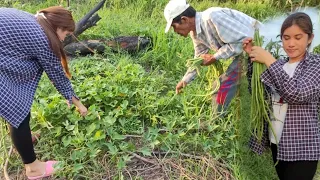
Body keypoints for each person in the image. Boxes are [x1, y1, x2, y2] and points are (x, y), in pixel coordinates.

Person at [0, 6, 88, 179]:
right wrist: (79, 104)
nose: (63, 39)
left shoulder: (35, 20)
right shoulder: (42, 37)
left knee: (14, 102)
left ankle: (22, 140)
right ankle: (33, 169)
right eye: (66, 34)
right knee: (16, 108)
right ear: (58, 27)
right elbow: (57, 75)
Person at [244, 12, 319, 180]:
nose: (291, 43)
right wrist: (253, 61)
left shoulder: (315, 65)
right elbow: (259, 92)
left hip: (302, 147)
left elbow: (296, 94)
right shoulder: (281, 64)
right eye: (286, 38)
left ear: (310, 38)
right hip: (277, 142)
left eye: (298, 37)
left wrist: (269, 60)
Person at [163, 0, 262, 113]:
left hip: (257, 48)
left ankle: (215, 122)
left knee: (221, 86)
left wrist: (214, 57)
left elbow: (242, 41)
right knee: (240, 85)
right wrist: (184, 81)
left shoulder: (212, 17)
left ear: (184, 19)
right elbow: (198, 58)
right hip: (245, 53)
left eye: (174, 27)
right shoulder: (195, 32)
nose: (175, 31)